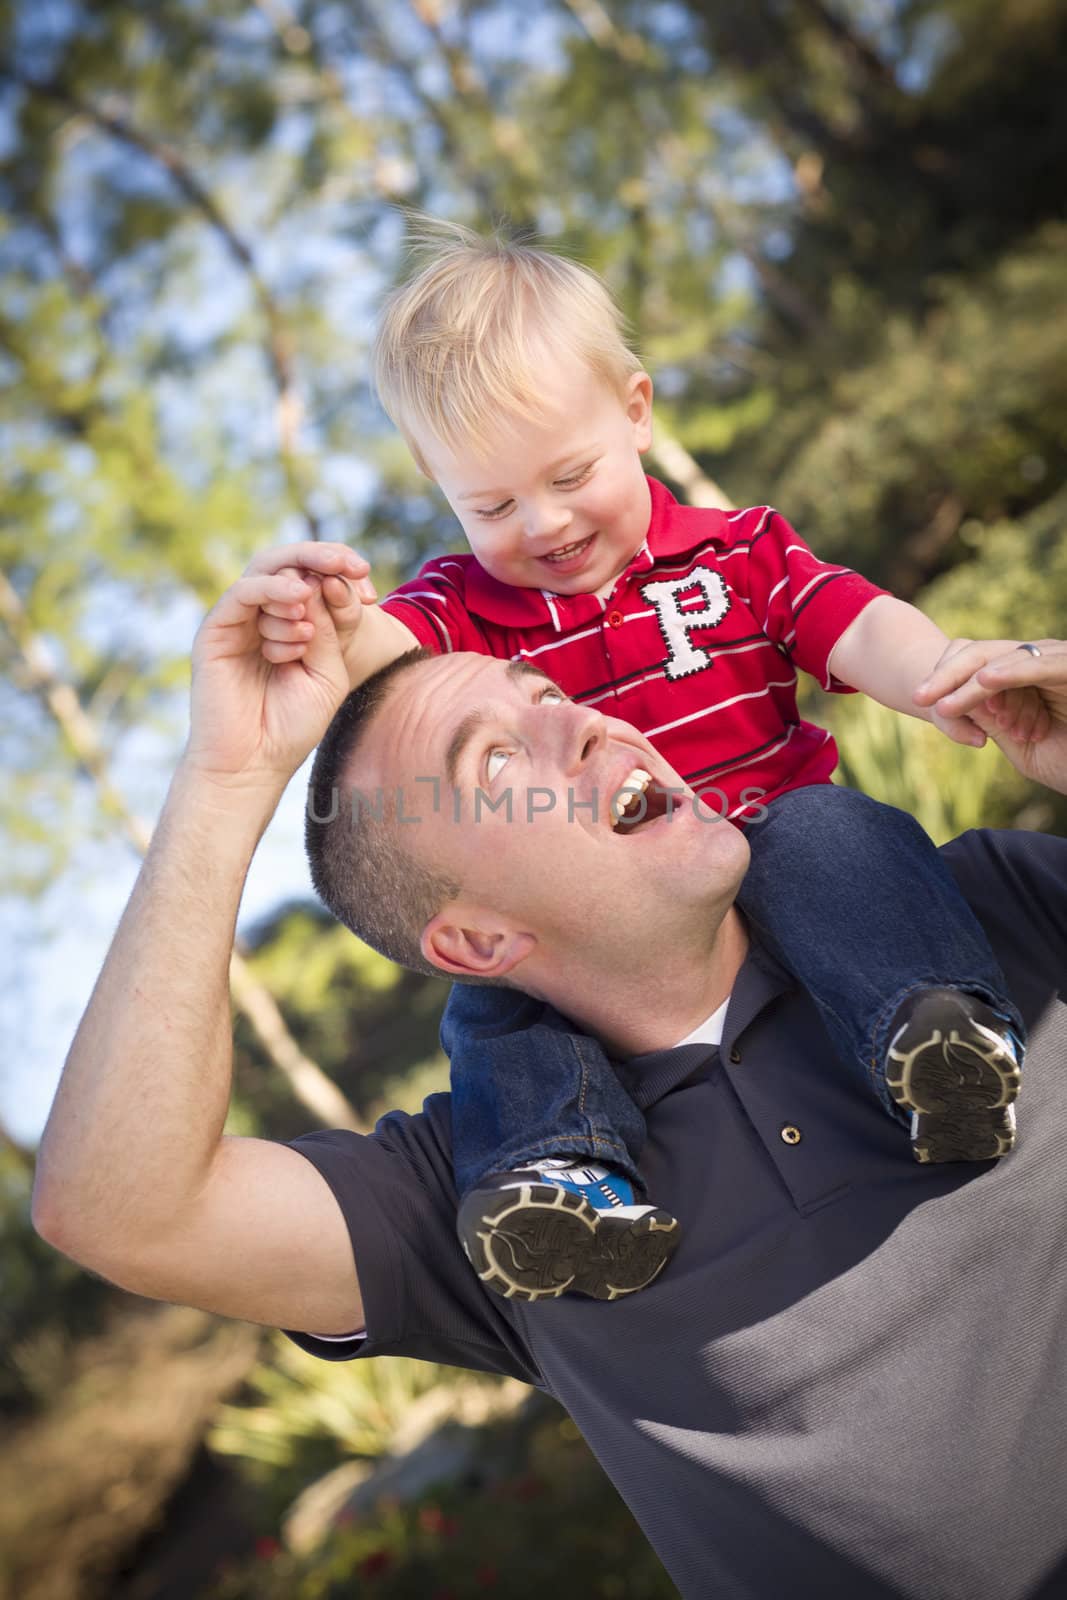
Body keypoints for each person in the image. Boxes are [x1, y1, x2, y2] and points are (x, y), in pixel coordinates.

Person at [32, 574, 1067, 1599]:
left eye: (547, 696)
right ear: (477, 938)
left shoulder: (976, 916)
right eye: (494, 760)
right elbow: (119, 1204)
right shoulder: (501, 1195)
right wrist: (223, 782)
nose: (578, 722)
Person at [255, 224, 1045, 1299]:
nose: (540, 522)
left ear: (634, 411)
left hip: (777, 840)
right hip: (613, 921)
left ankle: (932, 1036)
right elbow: (388, 671)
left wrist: (943, 669)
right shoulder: (461, 611)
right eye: (487, 505)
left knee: (838, 833)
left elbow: (846, 621)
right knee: (497, 995)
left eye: (567, 474)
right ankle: (556, 1180)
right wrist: (325, 629)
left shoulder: (735, 553)